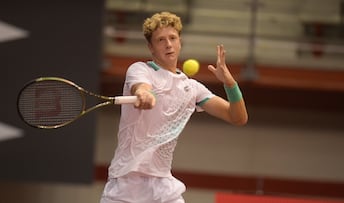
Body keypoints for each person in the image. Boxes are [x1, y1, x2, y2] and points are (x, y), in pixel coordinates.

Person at [100, 11, 248, 203]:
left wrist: (230, 83)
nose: (168, 44)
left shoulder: (192, 88)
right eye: (161, 40)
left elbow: (238, 117)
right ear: (151, 47)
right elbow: (142, 87)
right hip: (126, 183)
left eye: (172, 38)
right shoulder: (140, 70)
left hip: (163, 186)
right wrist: (144, 95)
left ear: (180, 42)